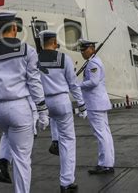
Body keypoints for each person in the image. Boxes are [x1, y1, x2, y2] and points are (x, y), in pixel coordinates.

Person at [0, 11, 48, 193]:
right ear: (15, 28)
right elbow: (34, 83)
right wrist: (42, 111)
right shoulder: (27, 50)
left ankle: (3, 161)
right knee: (22, 160)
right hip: (18, 107)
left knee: (8, 133)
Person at [38, 30, 87, 192]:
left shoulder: (34, 59)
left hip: (43, 102)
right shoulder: (63, 58)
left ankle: (54, 141)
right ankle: (66, 182)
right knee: (68, 141)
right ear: (53, 42)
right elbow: (73, 84)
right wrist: (81, 105)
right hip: (61, 100)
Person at [78, 39, 115, 174]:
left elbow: (93, 82)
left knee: (101, 135)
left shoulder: (93, 63)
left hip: (95, 103)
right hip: (99, 102)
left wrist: (77, 85)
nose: (82, 52)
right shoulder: (94, 61)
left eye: (85, 49)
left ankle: (105, 164)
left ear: (92, 49)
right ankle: (107, 163)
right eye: (81, 50)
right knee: (105, 134)